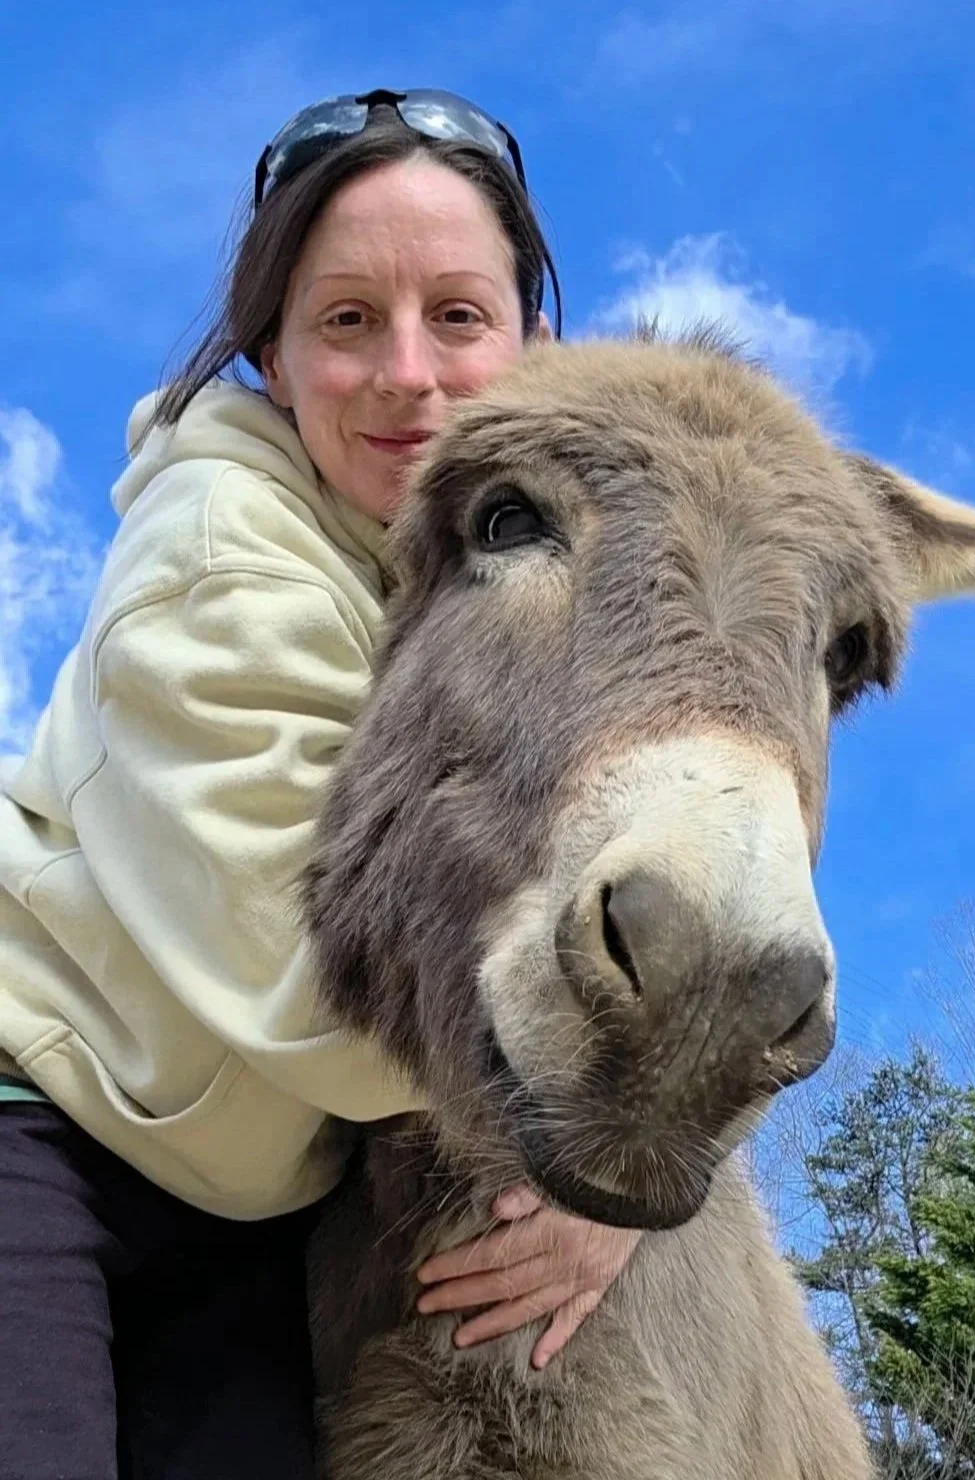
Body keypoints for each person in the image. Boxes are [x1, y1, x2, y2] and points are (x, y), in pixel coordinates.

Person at [0, 89, 639, 1480]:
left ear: (534, 346)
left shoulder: (479, 581)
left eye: (459, 316)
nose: (409, 372)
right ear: (272, 364)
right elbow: (323, 992)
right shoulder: (218, 559)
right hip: (35, 1121)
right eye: (347, 320)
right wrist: (622, 1153)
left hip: (237, 1203)